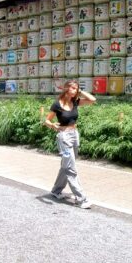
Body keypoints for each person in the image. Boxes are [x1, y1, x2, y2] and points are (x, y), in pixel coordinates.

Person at [44, 79, 97, 209]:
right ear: (67, 88)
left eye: (76, 88)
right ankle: (81, 199)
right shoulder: (57, 104)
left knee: (66, 165)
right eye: (73, 88)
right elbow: (46, 120)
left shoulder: (75, 101)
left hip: (74, 135)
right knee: (71, 168)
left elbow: (93, 100)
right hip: (64, 137)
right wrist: (52, 125)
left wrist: (81, 91)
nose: (75, 91)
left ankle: (56, 191)